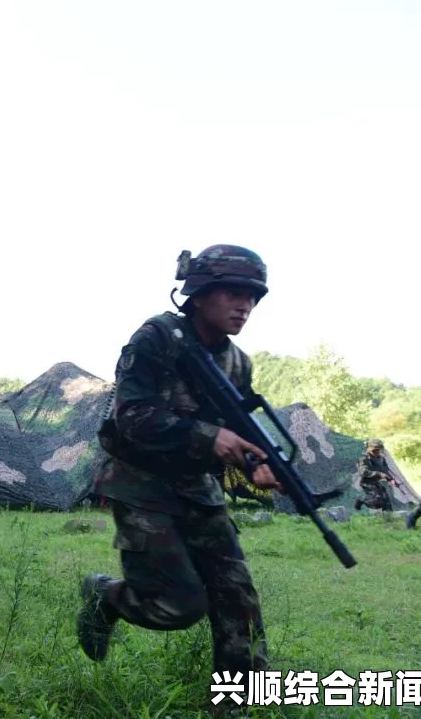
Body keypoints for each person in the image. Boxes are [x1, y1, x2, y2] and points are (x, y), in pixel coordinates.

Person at [78, 245, 284, 680]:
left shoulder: (236, 363)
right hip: (140, 485)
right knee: (178, 606)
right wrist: (209, 437)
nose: (244, 305)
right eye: (233, 293)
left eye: (252, 296)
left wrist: (256, 467)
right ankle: (106, 596)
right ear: (200, 293)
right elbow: (132, 416)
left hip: (198, 489)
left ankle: (239, 705)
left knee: (238, 599)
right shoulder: (157, 338)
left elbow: (237, 432)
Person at [354, 439, 398, 511]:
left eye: (378, 450)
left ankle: (389, 517)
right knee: (377, 501)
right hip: (367, 482)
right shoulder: (364, 458)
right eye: (374, 450)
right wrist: (378, 474)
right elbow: (363, 472)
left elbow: (385, 470)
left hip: (376, 482)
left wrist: (391, 479)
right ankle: (361, 500)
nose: (376, 452)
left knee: (386, 500)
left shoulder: (380, 458)